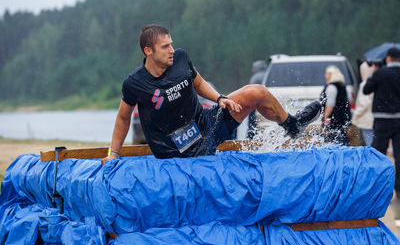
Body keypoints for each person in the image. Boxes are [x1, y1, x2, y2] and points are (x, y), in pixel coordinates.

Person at [102, 24, 321, 162]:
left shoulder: (180, 58)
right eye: (165, 47)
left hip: (207, 126)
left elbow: (197, 83)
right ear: (148, 51)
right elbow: (123, 118)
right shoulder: (135, 83)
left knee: (257, 92)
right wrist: (114, 153)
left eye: (171, 44)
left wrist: (220, 98)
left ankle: (292, 126)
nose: (171, 50)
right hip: (175, 151)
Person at [363, 47, 400, 202]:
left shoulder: (380, 73)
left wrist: (374, 74)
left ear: (388, 58)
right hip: (399, 119)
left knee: (378, 155)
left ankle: (377, 190)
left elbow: (366, 90)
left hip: (382, 120)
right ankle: (399, 191)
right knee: (399, 156)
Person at [320, 65, 351, 145]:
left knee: (334, 139)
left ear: (331, 75)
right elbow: (349, 100)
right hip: (343, 118)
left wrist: (326, 117)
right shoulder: (342, 86)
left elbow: (330, 104)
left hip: (334, 118)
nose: (325, 76)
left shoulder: (331, 87)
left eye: (326, 74)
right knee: (342, 137)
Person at [352, 61, 376, 146]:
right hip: (373, 118)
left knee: (369, 142)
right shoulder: (374, 82)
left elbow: (363, 103)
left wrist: (355, 116)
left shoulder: (365, 84)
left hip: (366, 119)